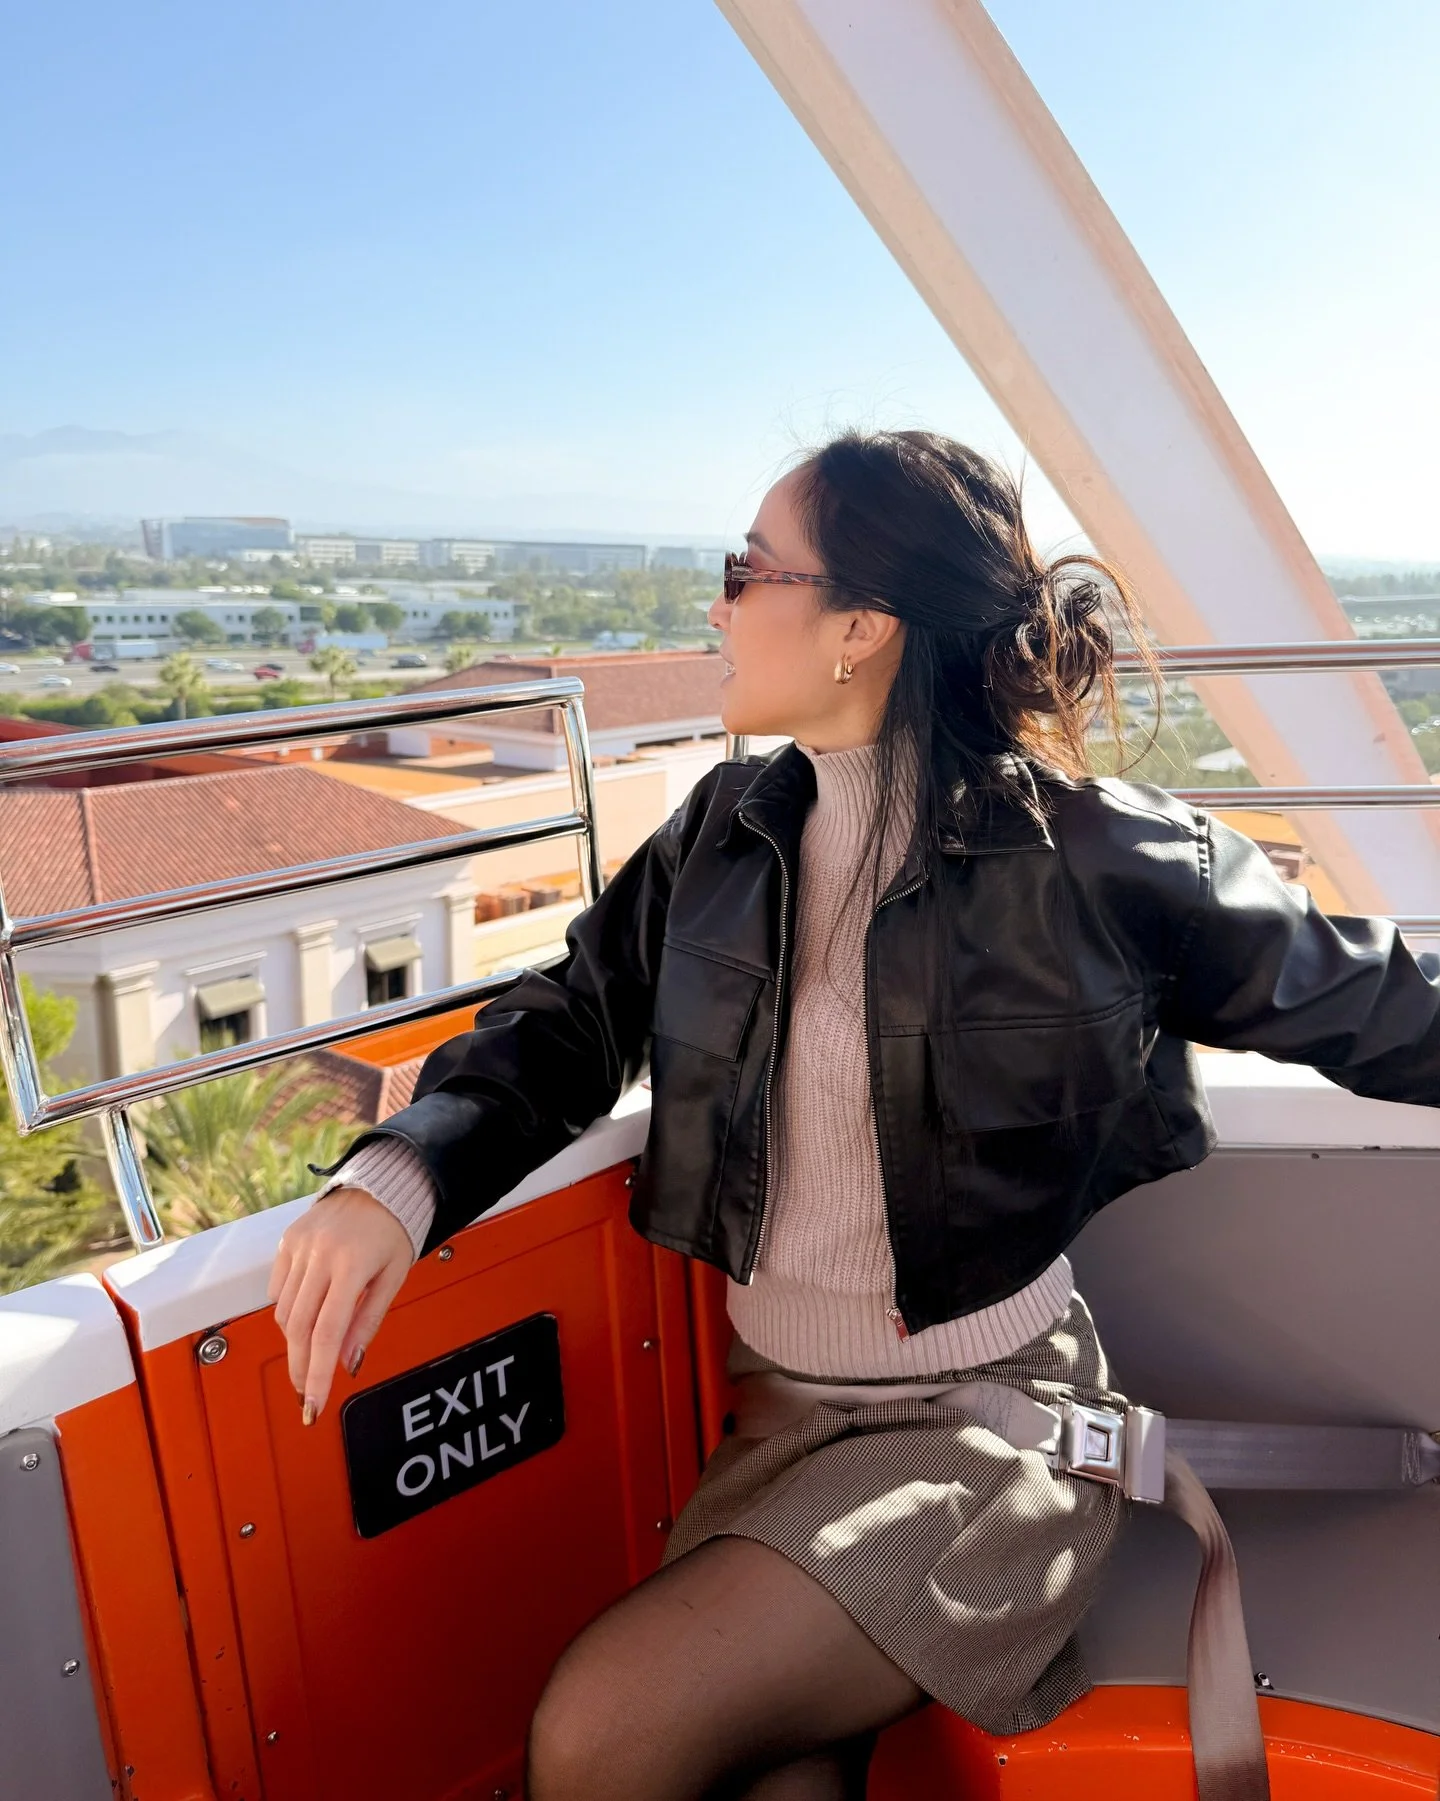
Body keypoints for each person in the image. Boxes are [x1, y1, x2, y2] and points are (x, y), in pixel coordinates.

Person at [269, 430, 1440, 1801]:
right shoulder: (722, 831)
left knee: (603, 1729)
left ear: (862, 628)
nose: (716, 603)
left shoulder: (1102, 861)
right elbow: (572, 1020)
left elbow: (1382, 1008)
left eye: (747, 569)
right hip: (774, 1430)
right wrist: (395, 1179)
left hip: (985, 1445)